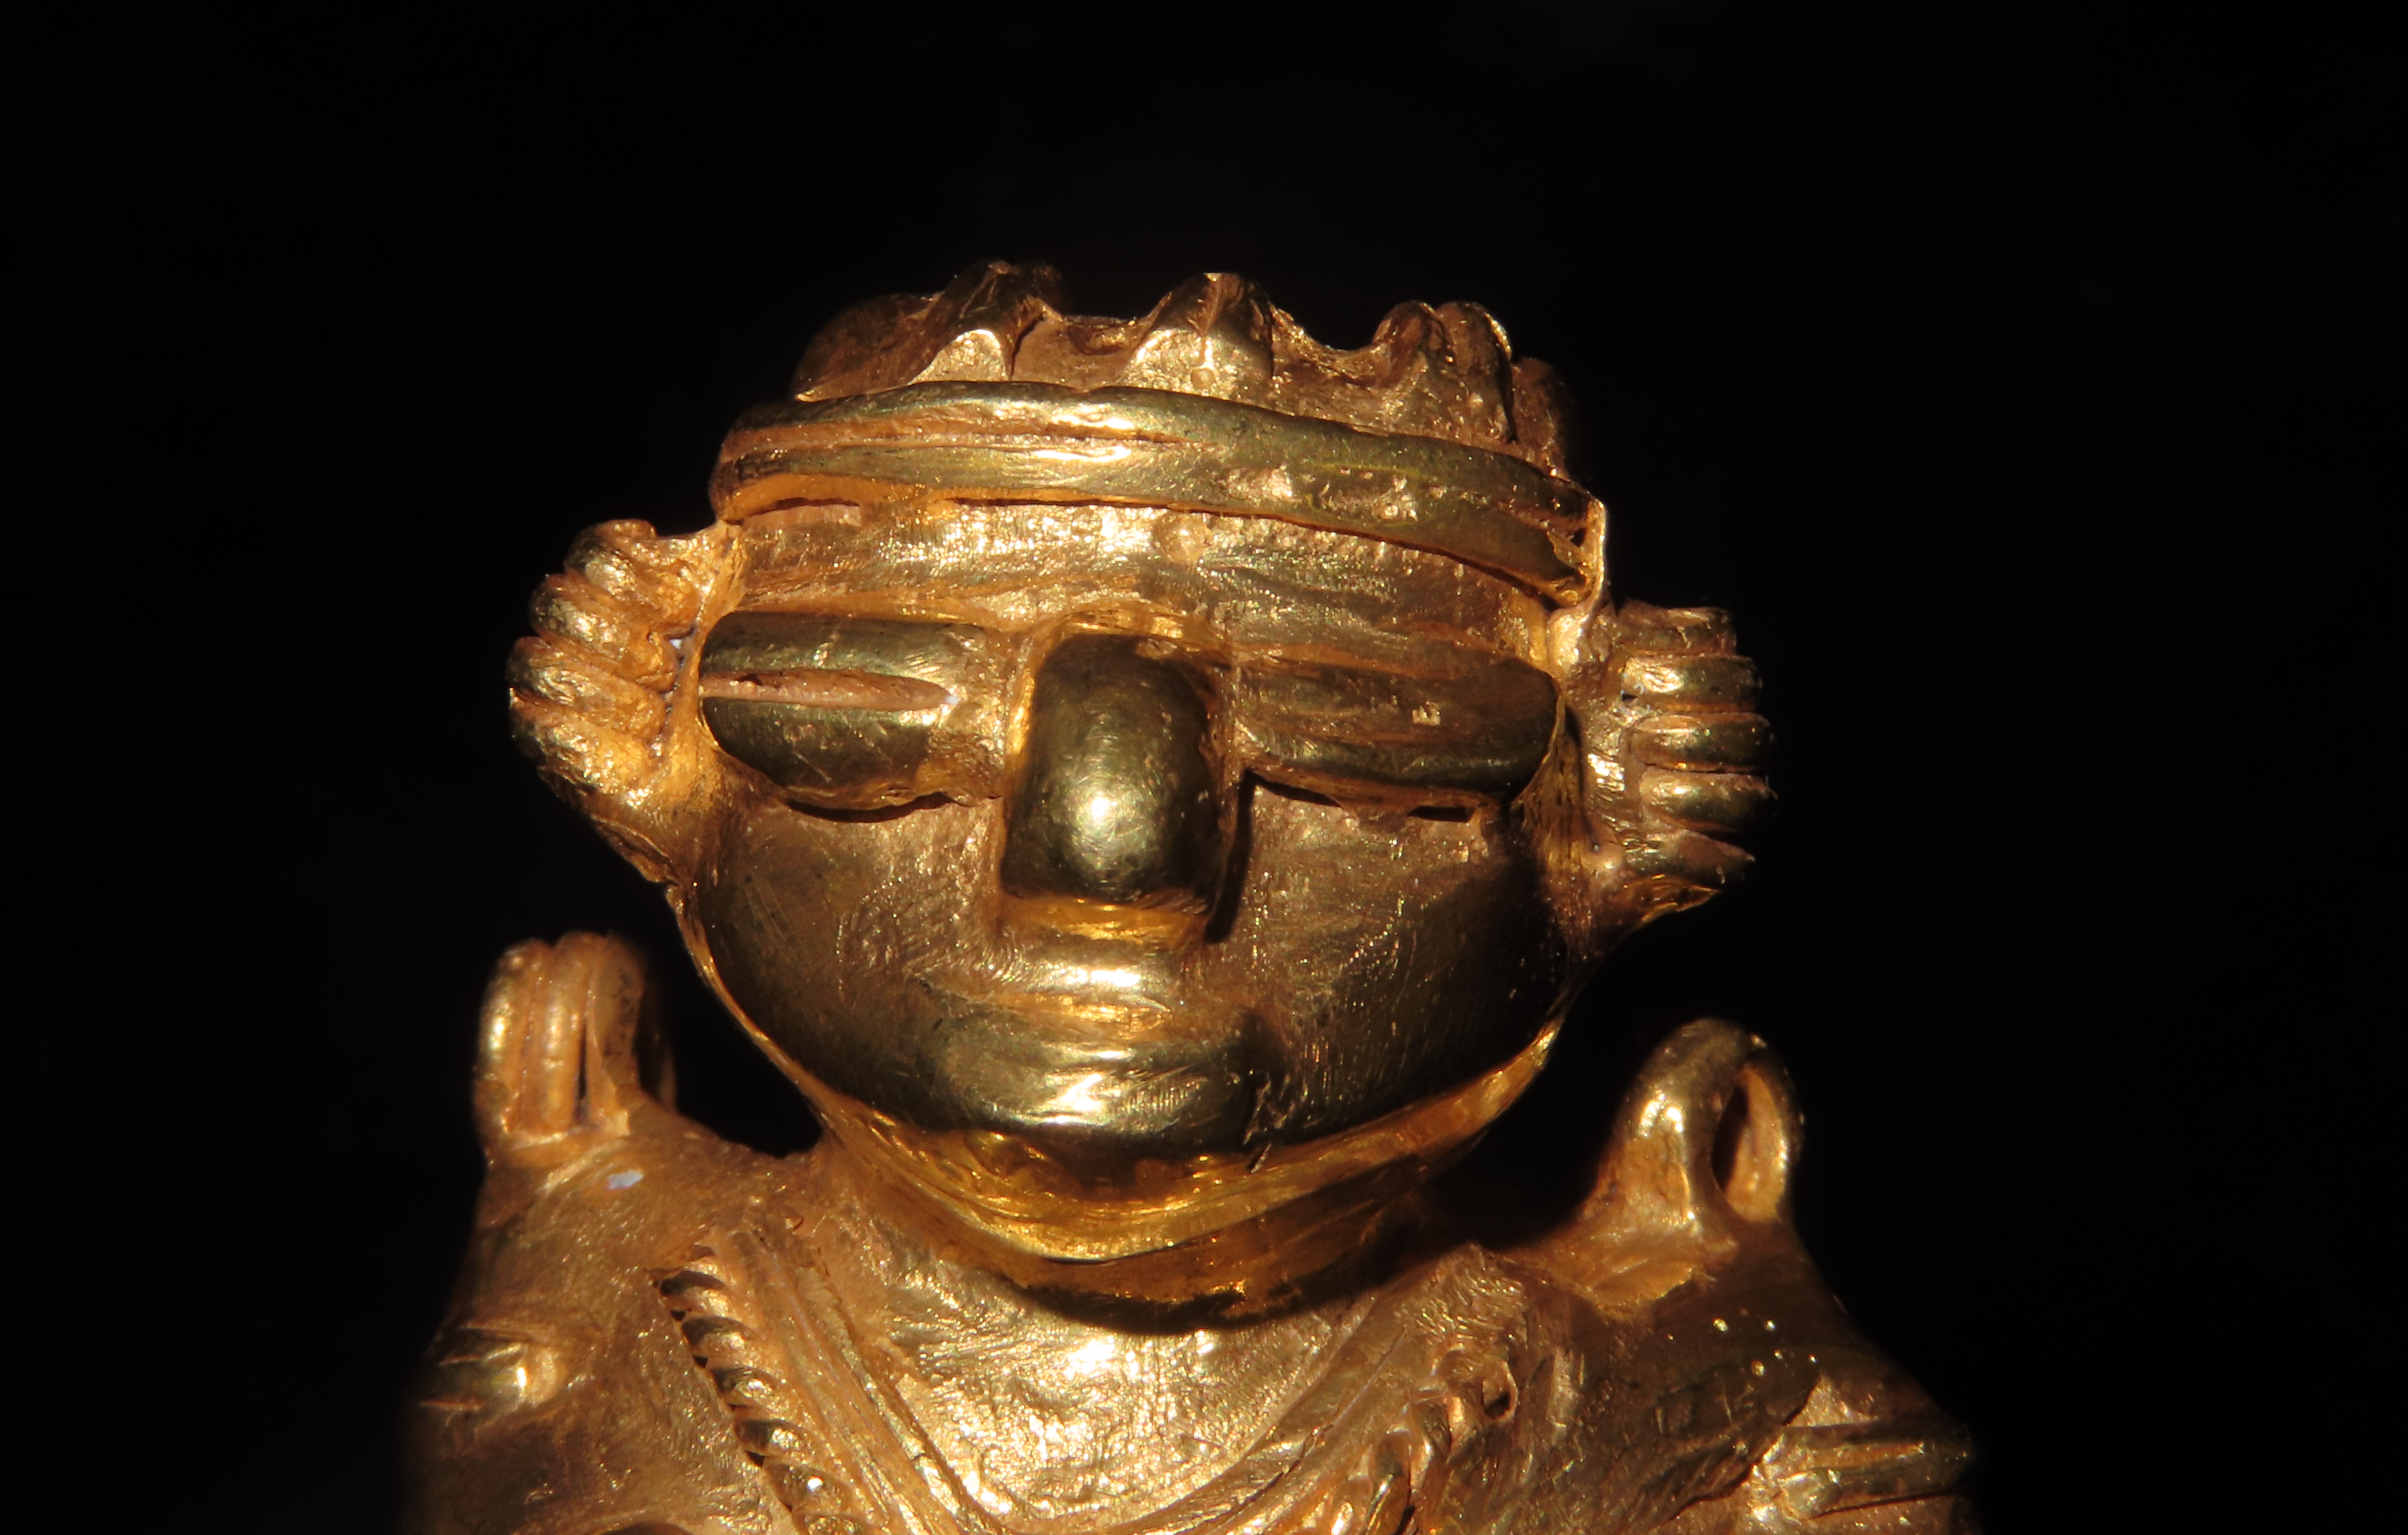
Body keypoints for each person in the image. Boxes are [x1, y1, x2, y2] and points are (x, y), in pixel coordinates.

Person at [413, 264, 1972, 1534]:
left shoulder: (1696, 1411)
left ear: (1627, 806)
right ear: (646, 739)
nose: (1107, 855)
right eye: (872, 715)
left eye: (1362, 745)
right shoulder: (594, 1323)